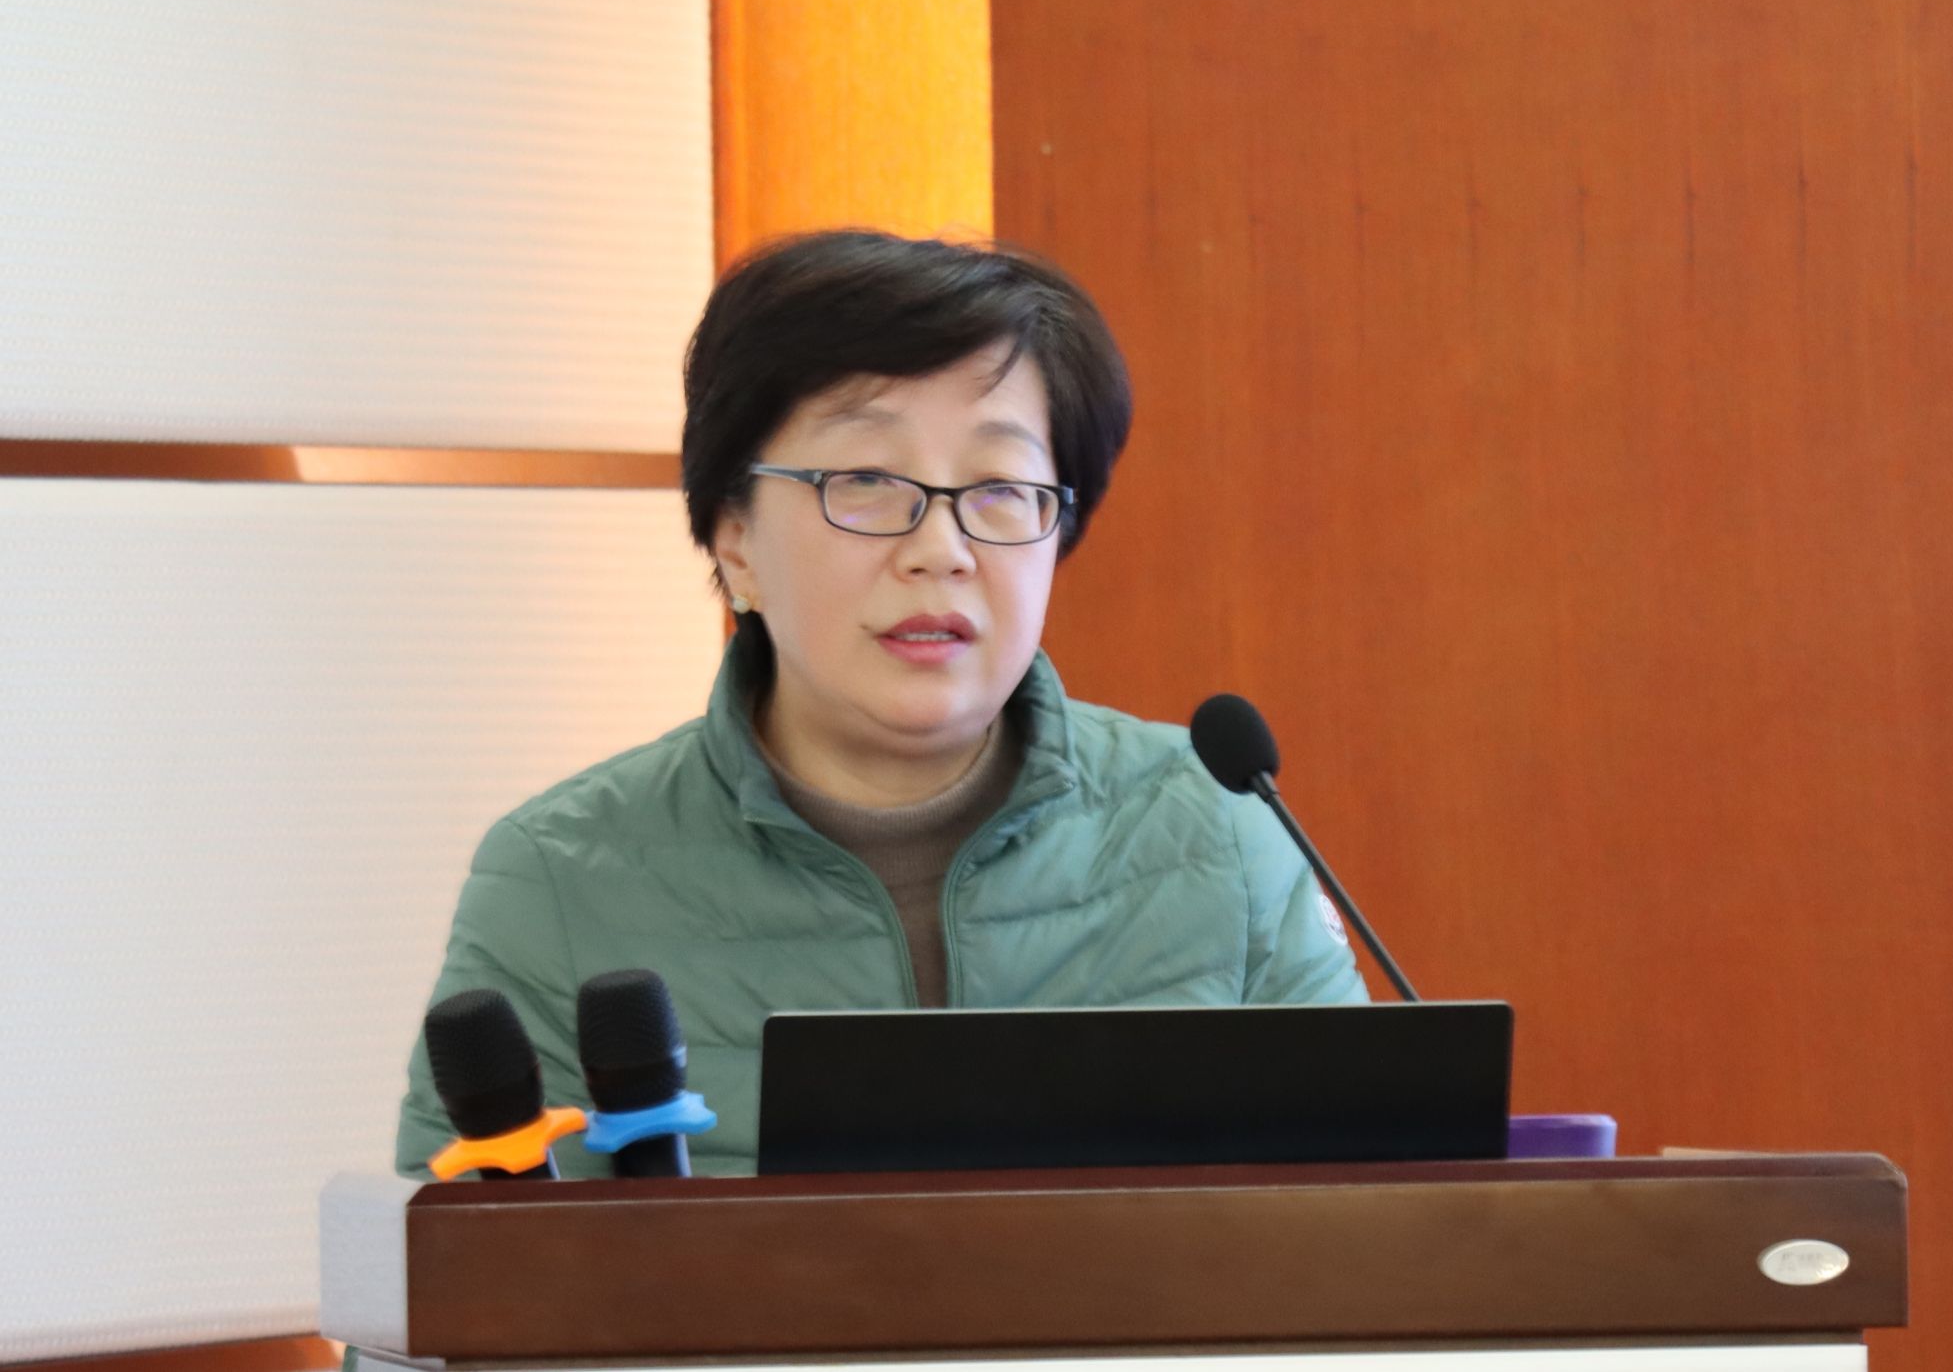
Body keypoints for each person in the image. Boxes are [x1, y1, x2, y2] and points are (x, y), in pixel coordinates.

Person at [394, 229, 1365, 1179]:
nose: (940, 549)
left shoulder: (1217, 829)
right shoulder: (557, 881)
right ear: (735, 541)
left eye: (999, 487)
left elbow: (1370, 1226)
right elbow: (438, 1276)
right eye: (863, 480)